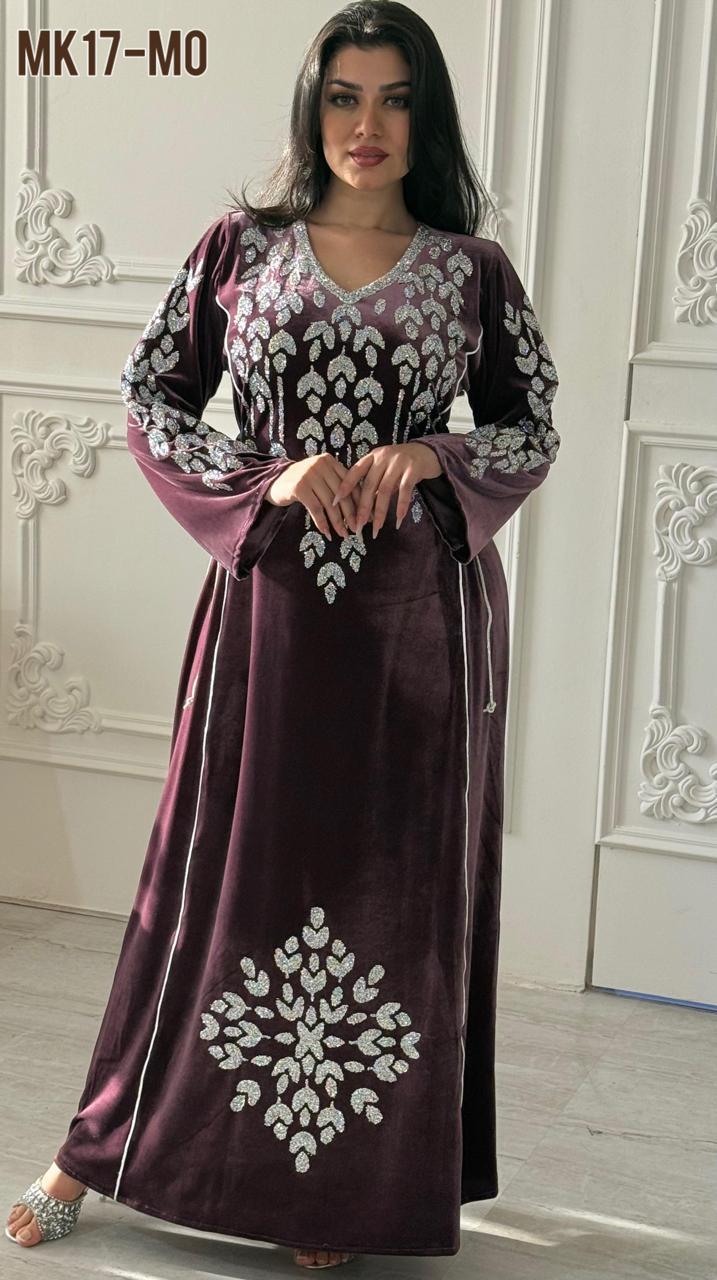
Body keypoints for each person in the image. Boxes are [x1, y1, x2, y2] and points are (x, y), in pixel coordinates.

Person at [5, 0, 560, 1269]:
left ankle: (336, 1191)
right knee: (205, 881)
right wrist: (272, 475)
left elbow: (530, 424)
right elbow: (152, 394)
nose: (368, 125)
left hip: (417, 634)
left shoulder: (472, 269)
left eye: (396, 98)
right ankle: (93, 1146)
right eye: (345, 96)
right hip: (272, 618)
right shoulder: (240, 248)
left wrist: (433, 453)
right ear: (313, 109)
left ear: (427, 116)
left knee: (390, 893)